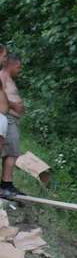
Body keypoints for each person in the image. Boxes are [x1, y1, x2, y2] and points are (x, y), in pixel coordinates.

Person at [0, 45, 24, 198]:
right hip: (5, 117)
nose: (20, 70)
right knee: (11, 151)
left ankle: (6, 184)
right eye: (19, 67)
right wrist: (14, 107)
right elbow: (6, 99)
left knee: (11, 151)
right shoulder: (3, 76)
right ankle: (6, 185)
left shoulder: (6, 78)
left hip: (7, 118)